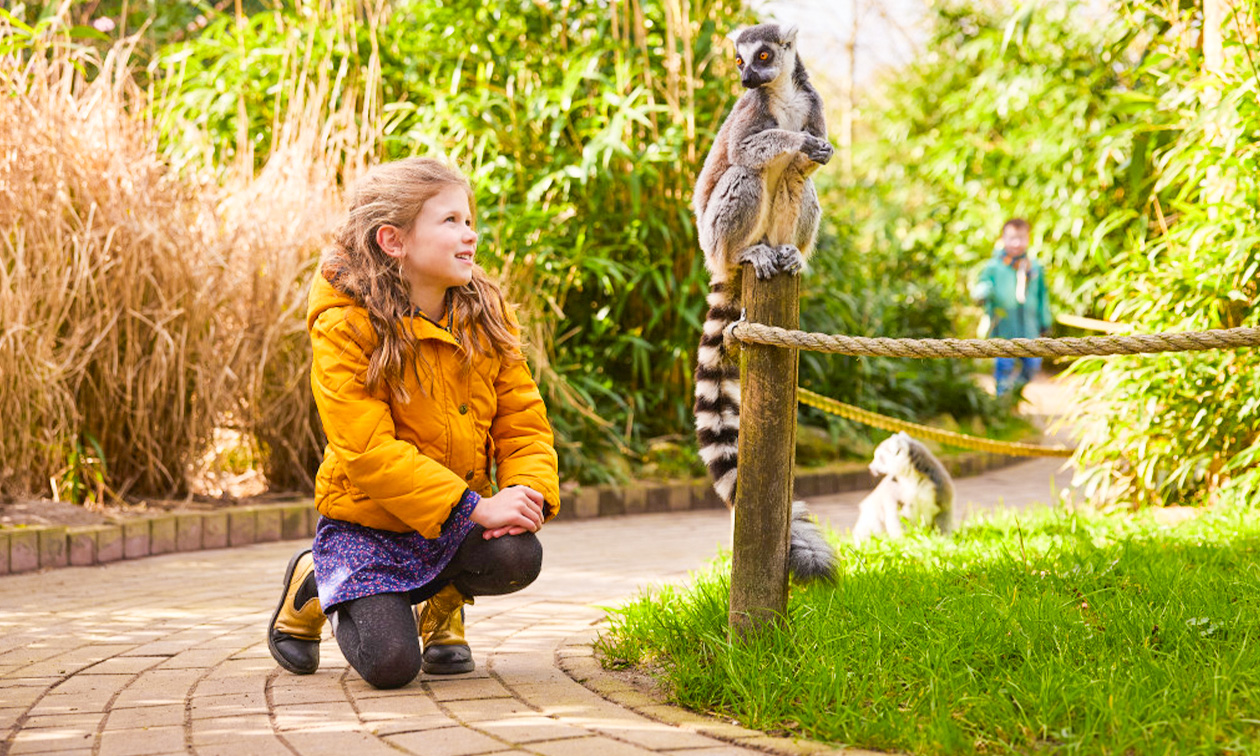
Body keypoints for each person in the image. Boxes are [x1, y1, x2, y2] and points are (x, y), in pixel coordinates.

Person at [266, 157, 560, 690]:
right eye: (450, 222)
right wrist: (475, 506)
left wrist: (524, 491)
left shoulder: (485, 315)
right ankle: (316, 577)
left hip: (452, 518)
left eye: (469, 220)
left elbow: (522, 419)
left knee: (519, 553)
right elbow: (366, 451)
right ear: (393, 240)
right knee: (390, 665)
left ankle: (441, 599)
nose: (470, 235)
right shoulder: (346, 326)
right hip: (370, 527)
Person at [972, 217, 1053, 397]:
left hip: (1030, 329)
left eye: (1021, 238)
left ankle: (1015, 395)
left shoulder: (1035, 268)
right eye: (1011, 238)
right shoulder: (994, 267)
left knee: (1033, 365)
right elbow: (984, 285)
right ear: (1003, 239)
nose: (1016, 243)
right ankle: (1002, 401)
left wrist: (1045, 322)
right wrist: (981, 294)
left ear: (1028, 239)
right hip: (1004, 328)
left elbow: (1042, 296)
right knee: (1004, 367)